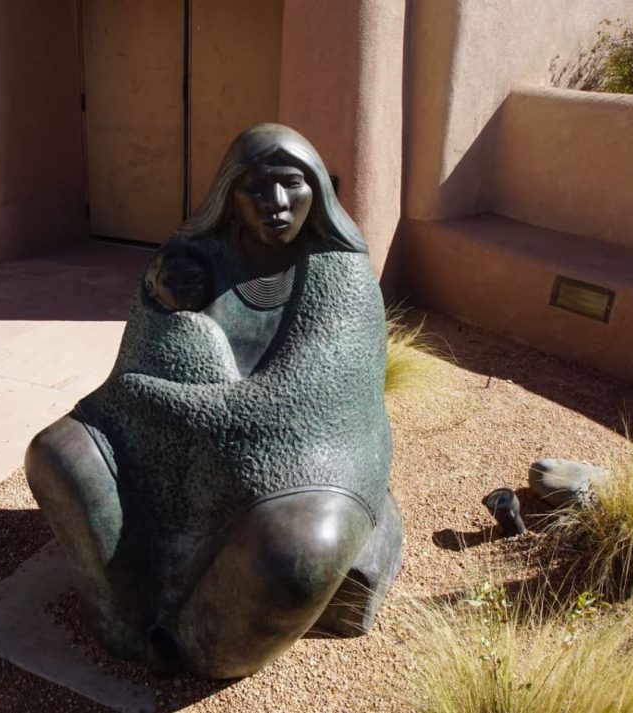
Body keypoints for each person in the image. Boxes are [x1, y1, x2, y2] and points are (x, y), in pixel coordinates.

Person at [26, 123, 400, 679]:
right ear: (229, 194)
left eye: (292, 186)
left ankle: (195, 645)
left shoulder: (342, 279)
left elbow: (309, 408)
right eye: (257, 187)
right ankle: (128, 618)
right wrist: (158, 301)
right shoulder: (191, 261)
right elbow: (142, 362)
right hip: (169, 448)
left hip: (309, 461)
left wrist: (161, 400)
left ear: (318, 192)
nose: (275, 203)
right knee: (58, 454)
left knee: (297, 555)